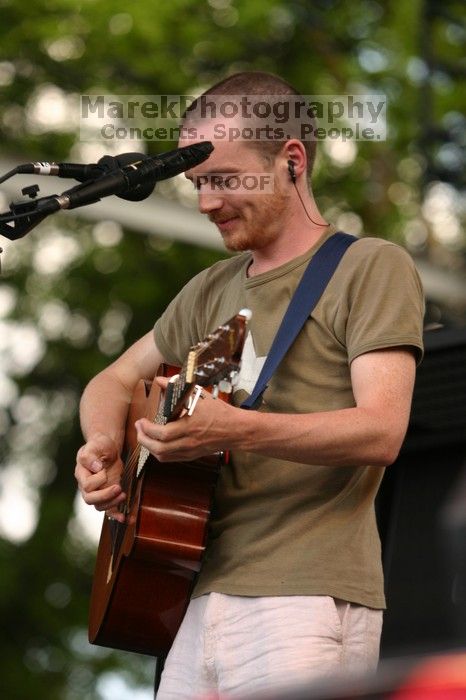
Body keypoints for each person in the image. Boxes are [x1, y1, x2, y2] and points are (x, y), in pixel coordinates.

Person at [75, 71, 424, 698]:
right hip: (188, 596)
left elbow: (383, 429)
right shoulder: (210, 288)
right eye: (199, 184)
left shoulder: (369, 266)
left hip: (305, 597)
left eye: (225, 179)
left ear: (290, 161)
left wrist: (239, 429)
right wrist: (104, 447)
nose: (207, 202)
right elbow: (112, 379)